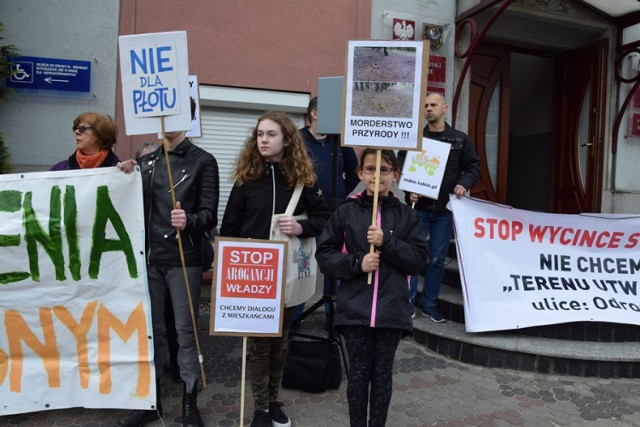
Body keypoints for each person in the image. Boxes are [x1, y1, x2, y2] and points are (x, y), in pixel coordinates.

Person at [219, 111, 330, 427]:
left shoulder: (302, 178)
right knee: (258, 344)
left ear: (287, 140)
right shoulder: (246, 178)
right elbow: (229, 227)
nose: (263, 140)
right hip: (254, 275)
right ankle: (260, 410)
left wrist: (300, 226)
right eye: (259, 134)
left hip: (287, 273)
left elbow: (324, 217)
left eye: (271, 134)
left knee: (279, 342)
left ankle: (274, 400)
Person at [117, 115, 219, 427]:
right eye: (165, 114)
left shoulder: (204, 161)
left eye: (176, 114)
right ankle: (151, 402)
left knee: (186, 333)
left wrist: (190, 220)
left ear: (188, 119)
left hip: (183, 260)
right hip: (147, 261)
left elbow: (210, 215)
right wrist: (123, 175)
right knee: (152, 332)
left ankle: (191, 401)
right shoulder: (145, 161)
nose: (169, 122)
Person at [315, 148, 428, 427]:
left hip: (391, 311)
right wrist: (357, 263)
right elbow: (325, 256)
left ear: (396, 175)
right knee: (358, 376)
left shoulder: (407, 216)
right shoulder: (345, 211)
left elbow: (418, 261)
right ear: (359, 173)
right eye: (370, 169)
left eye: (385, 170)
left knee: (381, 377)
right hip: (355, 310)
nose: (377, 175)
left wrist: (386, 243)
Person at [398, 92, 481, 322]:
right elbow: (400, 167)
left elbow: (474, 167)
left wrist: (463, 184)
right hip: (418, 208)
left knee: (436, 259)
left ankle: (430, 304)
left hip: (444, 210)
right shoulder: (414, 140)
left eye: (433, 105)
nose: (428, 109)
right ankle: (408, 305)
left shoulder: (460, 140)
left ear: (445, 108)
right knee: (413, 257)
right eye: (425, 105)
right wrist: (408, 188)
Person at [294, 96, 359, 322]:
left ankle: (333, 316)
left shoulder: (339, 141)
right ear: (315, 113)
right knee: (302, 264)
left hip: (334, 213)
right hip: (305, 214)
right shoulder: (297, 140)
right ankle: (296, 317)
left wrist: (341, 192)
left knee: (333, 263)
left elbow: (354, 172)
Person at [50, 112, 119, 170]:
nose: (76, 132)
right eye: (76, 128)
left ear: (100, 135)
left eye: (82, 129)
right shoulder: (59, 169)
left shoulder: (118, 169)